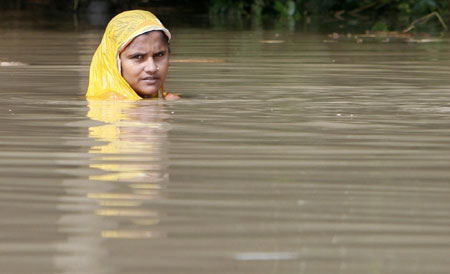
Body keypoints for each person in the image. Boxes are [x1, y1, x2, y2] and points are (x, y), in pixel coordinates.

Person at [86, 10, 179, 100]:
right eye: (138, 57)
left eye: (159, 55)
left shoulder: (165, 99)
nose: (152, 68)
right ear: (114, 61)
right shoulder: (111, 105)